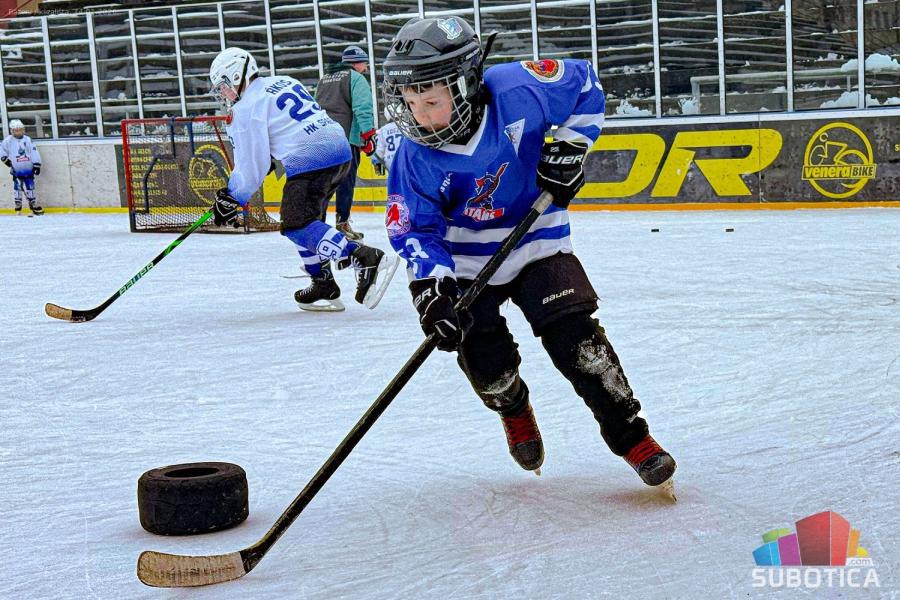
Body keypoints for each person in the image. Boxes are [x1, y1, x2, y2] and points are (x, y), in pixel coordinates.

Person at [382, 17, 676, 489]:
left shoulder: (519, 88)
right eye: (410, 103)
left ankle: (633, 438)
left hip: (537, 238)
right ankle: (513, 404)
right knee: (486, 364)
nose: (419, 116)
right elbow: (416, 228)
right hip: (465, 262)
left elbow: (586, 85)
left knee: (580, 345)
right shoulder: (412, 154)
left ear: (465, 84)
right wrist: (430, 287)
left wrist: (570, 146)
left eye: (431, 102)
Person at [208, 47, 397, 312]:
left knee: (296, 224)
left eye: (224, 85)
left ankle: (362, 257)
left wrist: (232, 197)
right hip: (340, 149)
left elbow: (252, 167)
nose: (224, 93)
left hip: (312, 159)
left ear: (238, 74)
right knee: (309, 224)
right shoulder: (282, 81)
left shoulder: (246, 108)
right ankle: (322, 282)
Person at [314, 44, 377, 241]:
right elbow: (363, 108)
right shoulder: (356, 78)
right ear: (356, 64)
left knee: (323, 182)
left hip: (322, 138)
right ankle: (342, 224)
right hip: (345, 140)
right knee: (345, 183)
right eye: (364, 64)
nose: (365, 68)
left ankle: (317, 224)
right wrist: (368, 135)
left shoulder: (323, 80)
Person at [1, 119, 43, 215]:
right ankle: (18, 203)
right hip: (16, 168)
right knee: (18, 186)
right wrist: (5, 159)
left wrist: (37, 164)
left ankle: (33, 203)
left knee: (30, 186)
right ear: (12, 131)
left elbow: (33, 151)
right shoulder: (8, 141)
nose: (18, 132)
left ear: (23, 130)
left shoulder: (27, 139)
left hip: (28, 168)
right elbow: (1, 150)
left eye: (20, 130)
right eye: (16, 130)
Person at [371, 109, 403, 176]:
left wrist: (376, 162)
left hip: (390, 161)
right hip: (405, 159)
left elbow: (379, 150)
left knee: (393, 182)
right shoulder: (407, 127)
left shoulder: (383, 130)